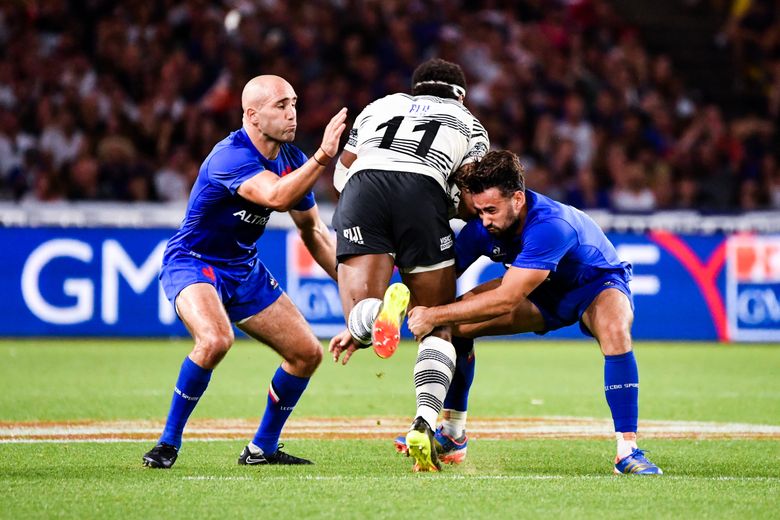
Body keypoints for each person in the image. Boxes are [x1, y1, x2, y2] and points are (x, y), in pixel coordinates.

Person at [405, 150, 663, 475]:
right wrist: (400, 303)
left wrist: (433, 315)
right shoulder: (483, 228)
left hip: (594, 284)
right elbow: (438, 277)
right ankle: (453, 434)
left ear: (517, 198)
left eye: (491, 210)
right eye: (480, 210)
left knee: (615, 332)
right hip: (541, 290)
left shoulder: (551, 225)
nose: (484, 220)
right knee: (457, 324)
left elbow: (506, 299)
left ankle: (628, 451)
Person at [142, 75, 347, 469]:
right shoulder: (229, 156)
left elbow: (314, 232)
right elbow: (275, 196)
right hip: (194, 261)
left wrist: (356, 292)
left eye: (294, 104)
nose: (292, 114)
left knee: (306, 353)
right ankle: (168, 443)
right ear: (252, 115)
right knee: (216, 339)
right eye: (281, 106)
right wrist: (323, 156)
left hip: (243, 267)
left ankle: (261, 448)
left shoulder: (292, 159)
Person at [328, 58, 489, 472]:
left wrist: (362, 204)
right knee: (436, 323)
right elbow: (472, 191)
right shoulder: (469, 123)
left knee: (357, 317)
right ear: (460, 95)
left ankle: (375, 314)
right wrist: (442, 208)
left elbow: (341, 173)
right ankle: (424, 420)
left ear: (415, 89)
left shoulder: (378, 106)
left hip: (363, 185)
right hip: (423, 190)